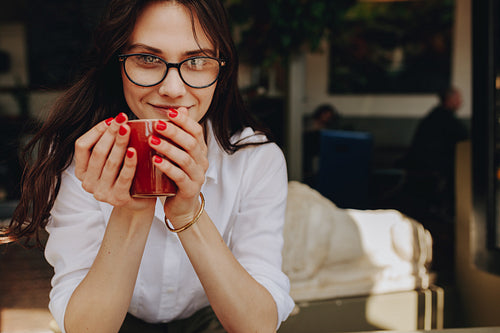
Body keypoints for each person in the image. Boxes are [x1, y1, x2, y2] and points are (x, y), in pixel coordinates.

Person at [0, 1, 295, 332]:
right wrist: (131, 208)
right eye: (148, 59)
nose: (172, 89)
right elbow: (86, 326)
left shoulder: (256, 160)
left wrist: (186, 213)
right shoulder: (78, 157)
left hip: (213, 316)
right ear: (118, 63)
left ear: (221, 72)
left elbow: (258, 325)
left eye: (197, 61)